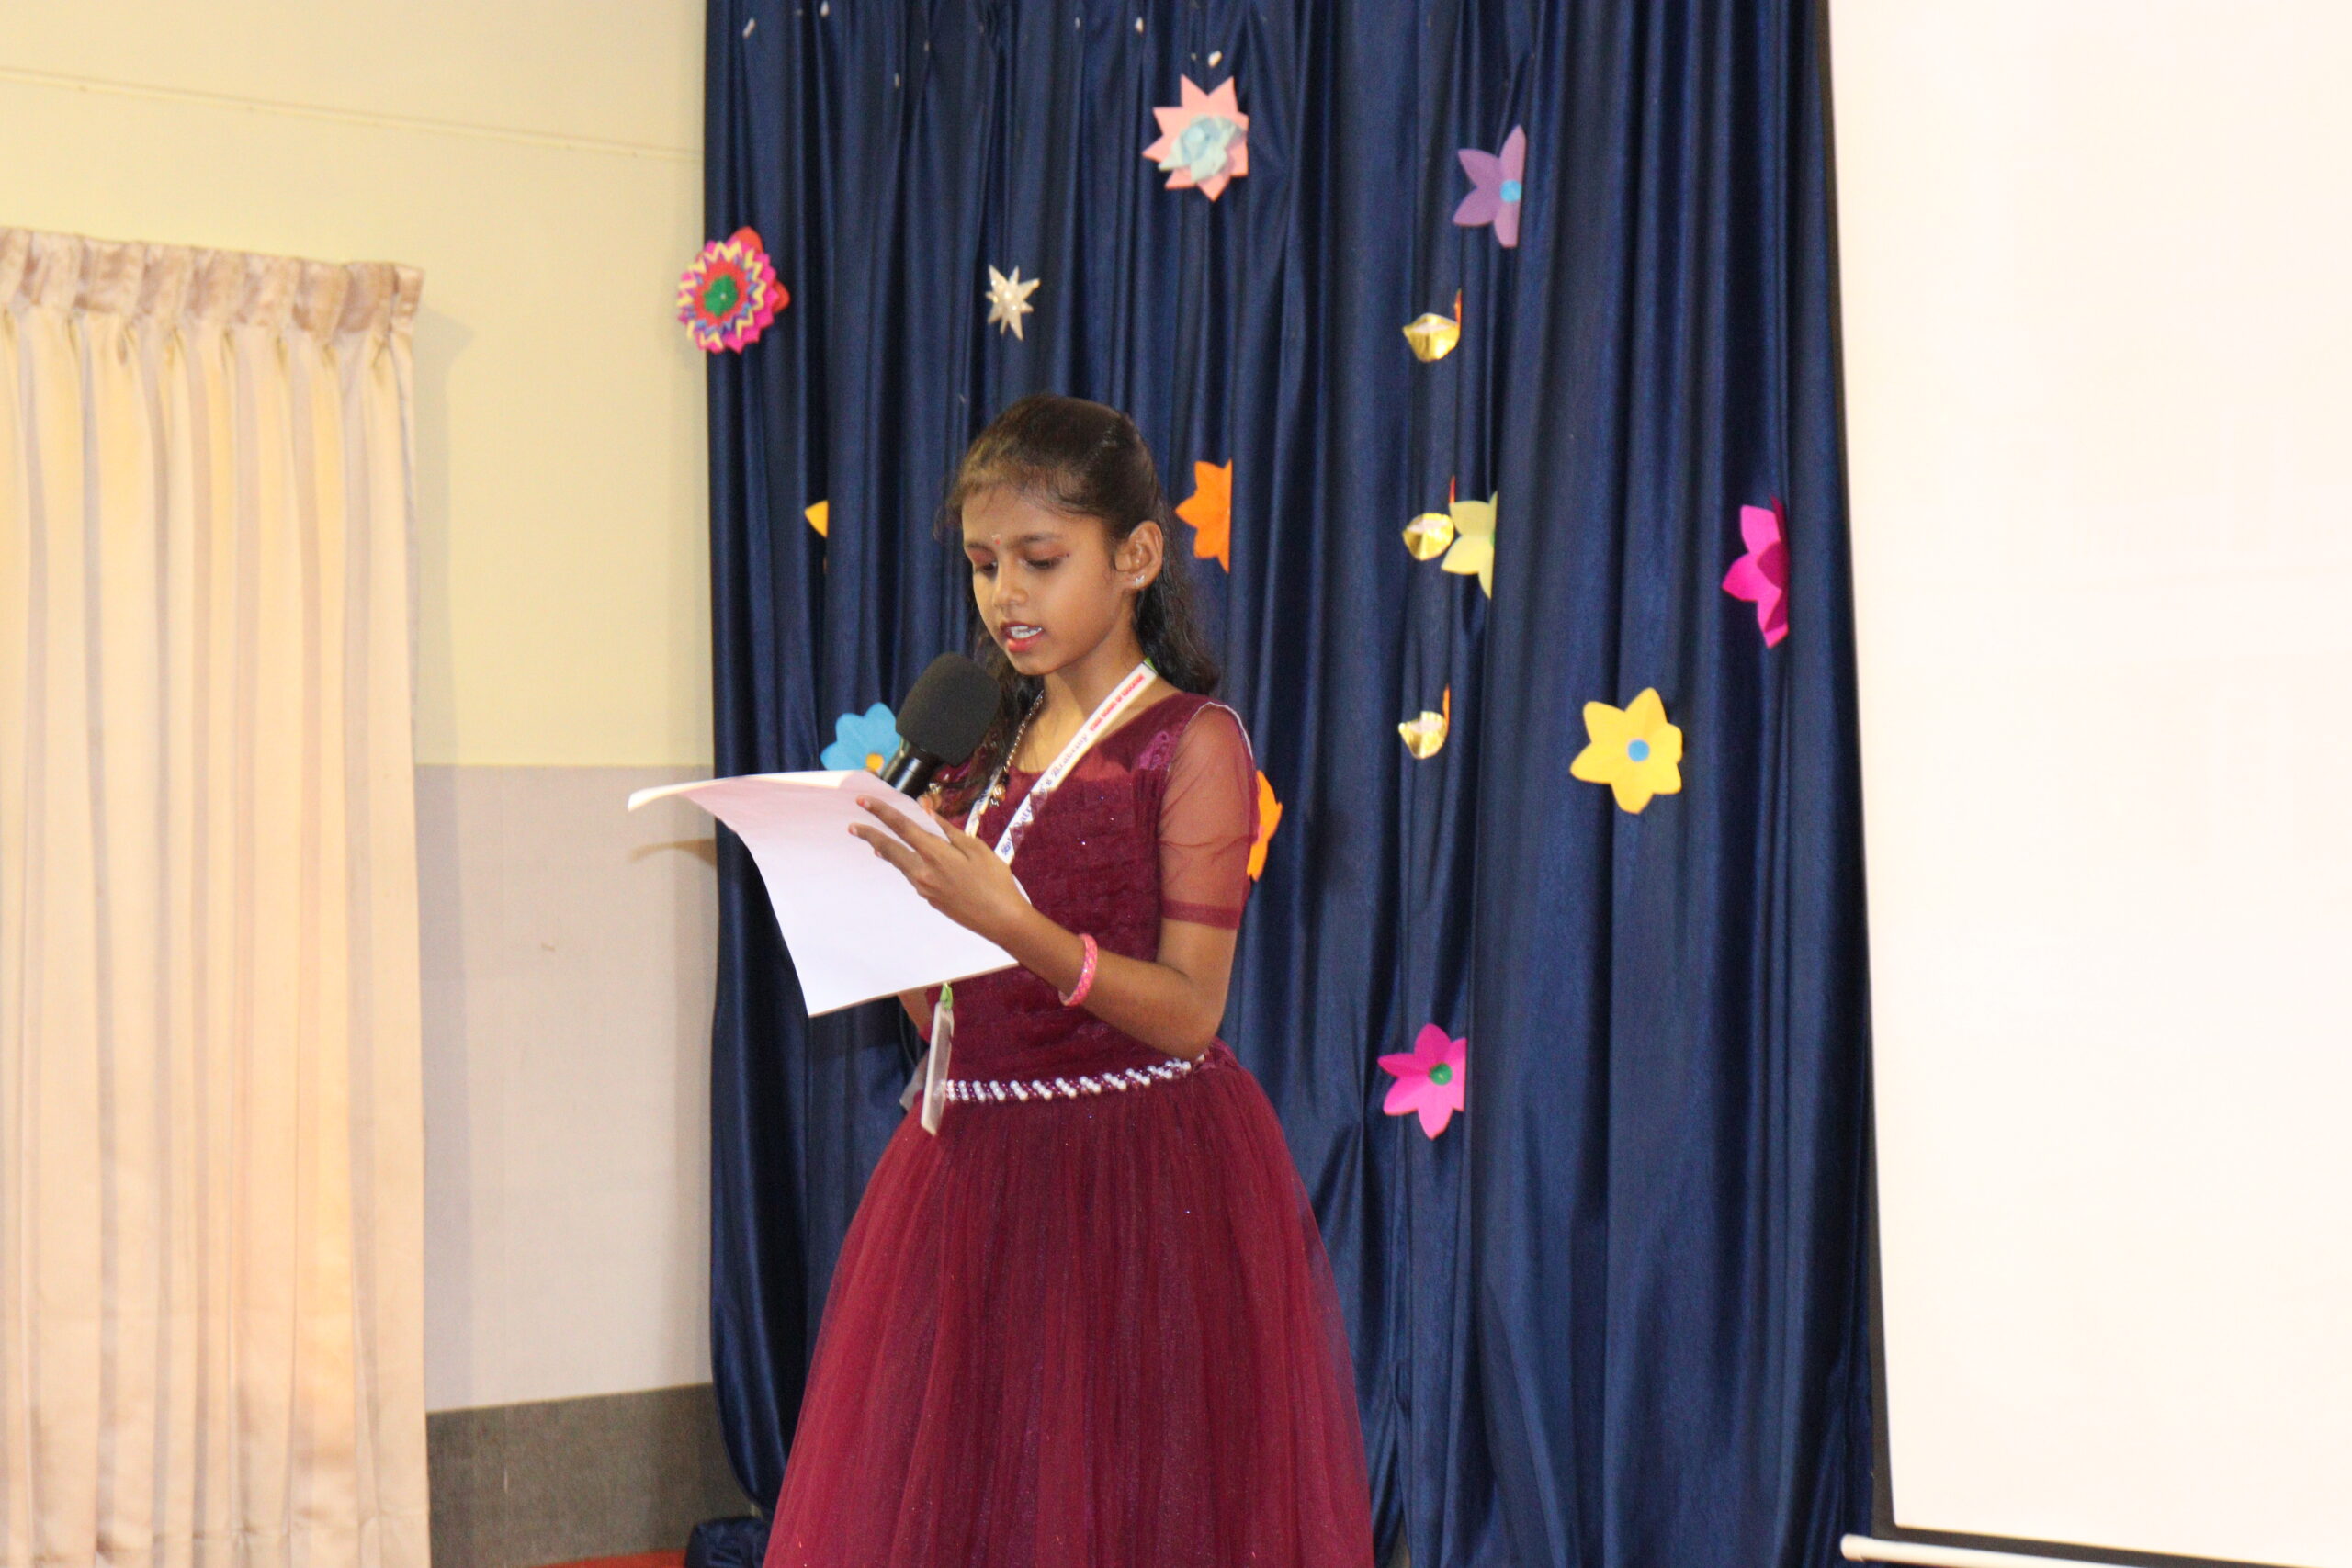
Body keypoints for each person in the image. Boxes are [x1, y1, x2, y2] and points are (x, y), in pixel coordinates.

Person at [759, 394, 1376, 1566]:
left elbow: (1189, 1013)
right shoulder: (973, 753)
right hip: (968, 1172)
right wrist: (888, 928)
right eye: (984, 563)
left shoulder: (1190, 744)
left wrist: (1015, 926)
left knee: (1119, 1503)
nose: (1006, 595)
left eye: (1040, 560)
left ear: (1135, 556)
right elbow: (948, 1008)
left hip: (1136, 1181)